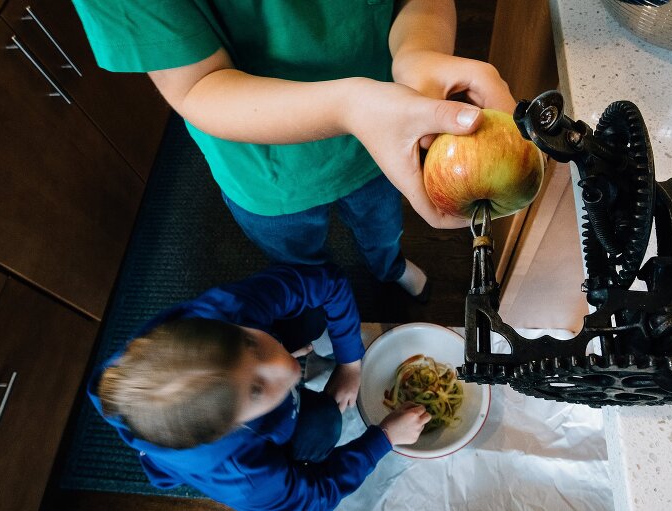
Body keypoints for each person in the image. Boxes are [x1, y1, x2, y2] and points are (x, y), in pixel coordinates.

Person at [71, 0, 517, 301]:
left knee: (381, 227)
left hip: (382, 143)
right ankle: (321, 298)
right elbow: (194, 86)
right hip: (265, 172)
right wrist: (350, 106)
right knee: (298, 257)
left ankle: (388, 266)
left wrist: (419, 53)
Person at [89, 263, 431, 510]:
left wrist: (350, 362)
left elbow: (328, 281)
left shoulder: (224, 310)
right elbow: (315, 496)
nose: (286, 367)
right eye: (256, 390)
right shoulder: (245, 478)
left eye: (250, 344)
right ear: (236, 428)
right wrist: (383, 438)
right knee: (325, 423)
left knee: (310, 313)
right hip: (249, 452)